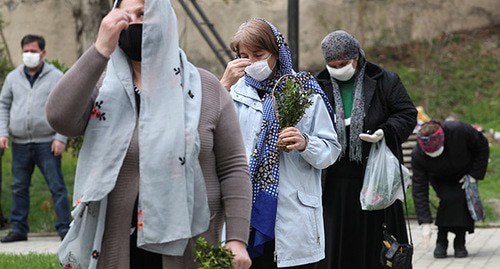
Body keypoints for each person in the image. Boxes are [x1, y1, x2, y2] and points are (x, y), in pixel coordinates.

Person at [46, 0, 252, 268]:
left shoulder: (205, 88)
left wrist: (236, 240)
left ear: (165, 19)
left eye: (142, 13)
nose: (132, 22)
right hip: (118, 246)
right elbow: (59, 118)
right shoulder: (102, 88)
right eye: (124, 15)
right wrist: (100, 50)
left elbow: (233, 168)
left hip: (190, 244)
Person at [220, 18, 341, 268]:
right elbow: (204, 137)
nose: (251, 62)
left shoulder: (305, 90)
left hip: (292, 214)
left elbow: (331, 151)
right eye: (244, 55)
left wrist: (305, 142)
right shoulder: (233, 92)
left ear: (277, 52)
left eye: (258, 54)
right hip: (246, 212)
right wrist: (223, 86)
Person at [315, 30, 417, 269]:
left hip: (375, 180)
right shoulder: (317, 85)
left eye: (344, 63)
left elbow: (406, 113)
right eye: (333, 65)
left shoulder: (385, 80)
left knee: (377, 248)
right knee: (336, 245)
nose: (339, 69)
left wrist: (385, 131)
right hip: (334, 184)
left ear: (357, 57)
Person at [0, 34, 71, 243]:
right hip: (20, 143)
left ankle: (65, 229)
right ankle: (19, 228)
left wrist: (61, 137)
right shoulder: (13, 78)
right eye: (26, 51)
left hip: (47, 142)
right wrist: (2, 132)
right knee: (18, 187)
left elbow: (65, 107)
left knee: (56, 186)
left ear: (43, 53)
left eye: (33, 51)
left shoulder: (56, 76)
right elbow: (3, 105)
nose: (29, 55)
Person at [412, 120, 489, 258]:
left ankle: (460, 240)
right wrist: (425, 223)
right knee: (448, 199)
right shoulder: (418, 155)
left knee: (461, 198)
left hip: (464, 172)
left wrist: (474, 174)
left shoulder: (459, 130)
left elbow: (482, 146)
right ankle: (442, 240)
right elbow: (419, 188)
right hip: (439, 177)